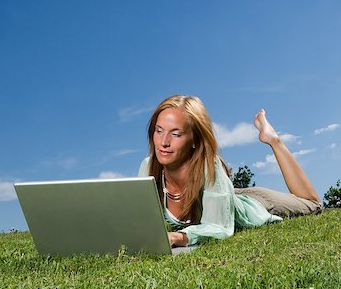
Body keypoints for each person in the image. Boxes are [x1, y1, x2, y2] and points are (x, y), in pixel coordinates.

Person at [138, 95, 322, 247]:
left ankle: (273, 139)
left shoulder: (210, 166)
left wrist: (180, 237)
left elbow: (219, 227)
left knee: (312, 204)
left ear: (195, 139)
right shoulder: (148, 167)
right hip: (223, 193)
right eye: (159, 131)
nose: (163, 142)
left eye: (176, 134)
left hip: (254, 204)